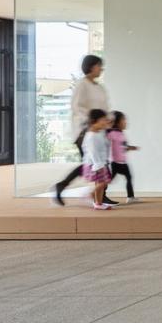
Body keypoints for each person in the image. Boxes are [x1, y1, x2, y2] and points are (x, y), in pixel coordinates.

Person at [53, 54, 109, 206]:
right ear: (91, 67)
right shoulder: (82, 85)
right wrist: (92, 121)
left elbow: (104, 108)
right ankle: (97, 195)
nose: (101, 69)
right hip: (85, 131)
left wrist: (107, 121)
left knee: (95, 163)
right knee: (92, 164)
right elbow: (76, 106)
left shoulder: (100, 87)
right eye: (99, 66)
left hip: (99, 130)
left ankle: (99, 195)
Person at [82, 109, 115, 211]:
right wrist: (98, 166)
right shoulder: (91, 136)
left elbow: (105, 143)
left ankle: (98, 203)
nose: (105, 122)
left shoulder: (99, 132)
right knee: (103, 182)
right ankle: (90, 194)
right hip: (94, 164)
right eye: (103, 120)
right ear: (94, 121)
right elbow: (93, 153)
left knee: (100, 183)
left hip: (100, 162)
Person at [107, 111, 140, 204]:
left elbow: (123, 147)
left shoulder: (121, 133)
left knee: (129, 177)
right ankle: (96, 194)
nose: (126, 122)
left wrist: (131, 148)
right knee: (108, 180)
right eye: (123, 120)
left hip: (123, 162)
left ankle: (130, 197)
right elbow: (105, 140)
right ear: (117, 122)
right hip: (115, 163)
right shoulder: (112, 133)